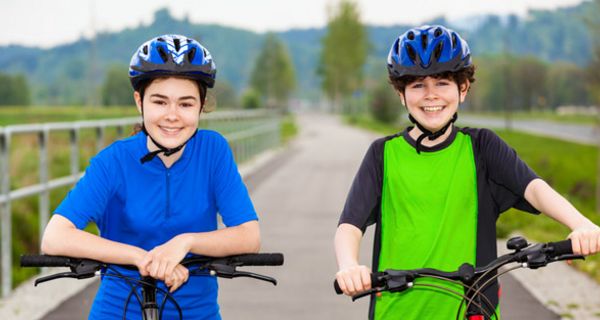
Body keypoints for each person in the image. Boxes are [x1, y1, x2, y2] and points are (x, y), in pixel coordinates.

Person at [334, 25, 600, 319]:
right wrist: (349, 265)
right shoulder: (382, 155)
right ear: (401, 94)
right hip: (397, 311)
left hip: (471, 309)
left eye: (443, 83)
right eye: (417, 85)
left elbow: (534, 188)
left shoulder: (482, 147)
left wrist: (581, 224)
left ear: (463, 89)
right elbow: (350, 224)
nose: (431, 95)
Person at [41, 34, 260, 319]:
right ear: (139, 101)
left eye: (185, 104)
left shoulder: (213, 150)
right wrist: (142, 258)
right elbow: (55, 237)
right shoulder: (113, 161)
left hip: (196, 313)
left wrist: (185, 242)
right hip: (118, 312)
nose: (172, 116)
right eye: (160, 102)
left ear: (201, 106)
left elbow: (249, 235)